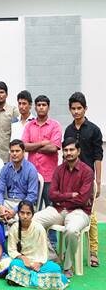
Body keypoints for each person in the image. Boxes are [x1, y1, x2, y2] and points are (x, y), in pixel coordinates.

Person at [33, 138, 93, 277]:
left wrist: (62, 198)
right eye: (66, 150)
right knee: (34, 221)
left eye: (72, 150)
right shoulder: (59, 170)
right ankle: (53, 256)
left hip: (79, 212)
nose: (68, 153)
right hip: (58, 209)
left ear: (78, 151)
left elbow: (83, 199)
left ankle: (67, 266)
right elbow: (51, 194)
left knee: (72, 230)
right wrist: (70, 195)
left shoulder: (87, 171)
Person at [63, 91, 102, 268]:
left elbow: (98, 157)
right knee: (69, 211)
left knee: (90, 214)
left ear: (85, 108)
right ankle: (69, 249)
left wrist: (98, 182)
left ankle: (93, 251)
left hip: (88, 179)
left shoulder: (94, 130)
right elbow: (65, 155)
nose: (76, 111)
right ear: (70, 109)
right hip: (71, 178)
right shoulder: (68, 130)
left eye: (79, 108)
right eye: (73, 108)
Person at [6, 201, 68, 289]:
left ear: (32, 215)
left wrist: (39, 263)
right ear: (18, 214)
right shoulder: (14, 228)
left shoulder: (39, 228)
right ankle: (41, 280)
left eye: (28, 213)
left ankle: (24, 279)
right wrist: (23, 258)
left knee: (55, 268)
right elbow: (12, 250)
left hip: (39, 264)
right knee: (14, 264)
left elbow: (44, 251)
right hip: (23, 263)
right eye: (22, 213)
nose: (25, 216)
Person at [22, 95, 62, 210]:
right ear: (35, 107)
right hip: (32, 174)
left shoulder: (55, 125)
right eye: (39, 105)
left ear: (48, 107)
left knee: (51, 208)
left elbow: (54, 148)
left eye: (44, 105)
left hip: (49, 175)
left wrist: (33, 146)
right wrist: (42, 143)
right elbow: (24, 146)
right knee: (32, 208)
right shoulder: (29, 125)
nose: (41, 107)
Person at [0, 139, 40, 223]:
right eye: (12, 151)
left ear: (23, 152)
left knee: (20, 218)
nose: (14, 154)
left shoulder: (31, 169)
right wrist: (0, 206)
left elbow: (32, 196)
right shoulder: (5, 168)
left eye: (17, 151)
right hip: (8, 202)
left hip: (24, 204)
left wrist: (15, 210)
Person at [0, 81, 20, 163]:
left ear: (6, 94)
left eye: (2, 92)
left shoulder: (13, 111)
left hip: (8, 157)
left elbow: (17, 134)